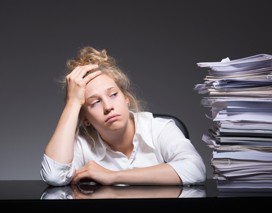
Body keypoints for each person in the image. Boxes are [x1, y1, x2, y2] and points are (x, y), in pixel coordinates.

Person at [40, 46, 206, 186]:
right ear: (84, 118)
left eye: (113, 95)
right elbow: (54, 175)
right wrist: (73, 103)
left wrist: (113, 176)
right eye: (94, 102)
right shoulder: (82, 145)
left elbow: (195, 169)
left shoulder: (160, 128)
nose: (108, 107)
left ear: (126, 98)